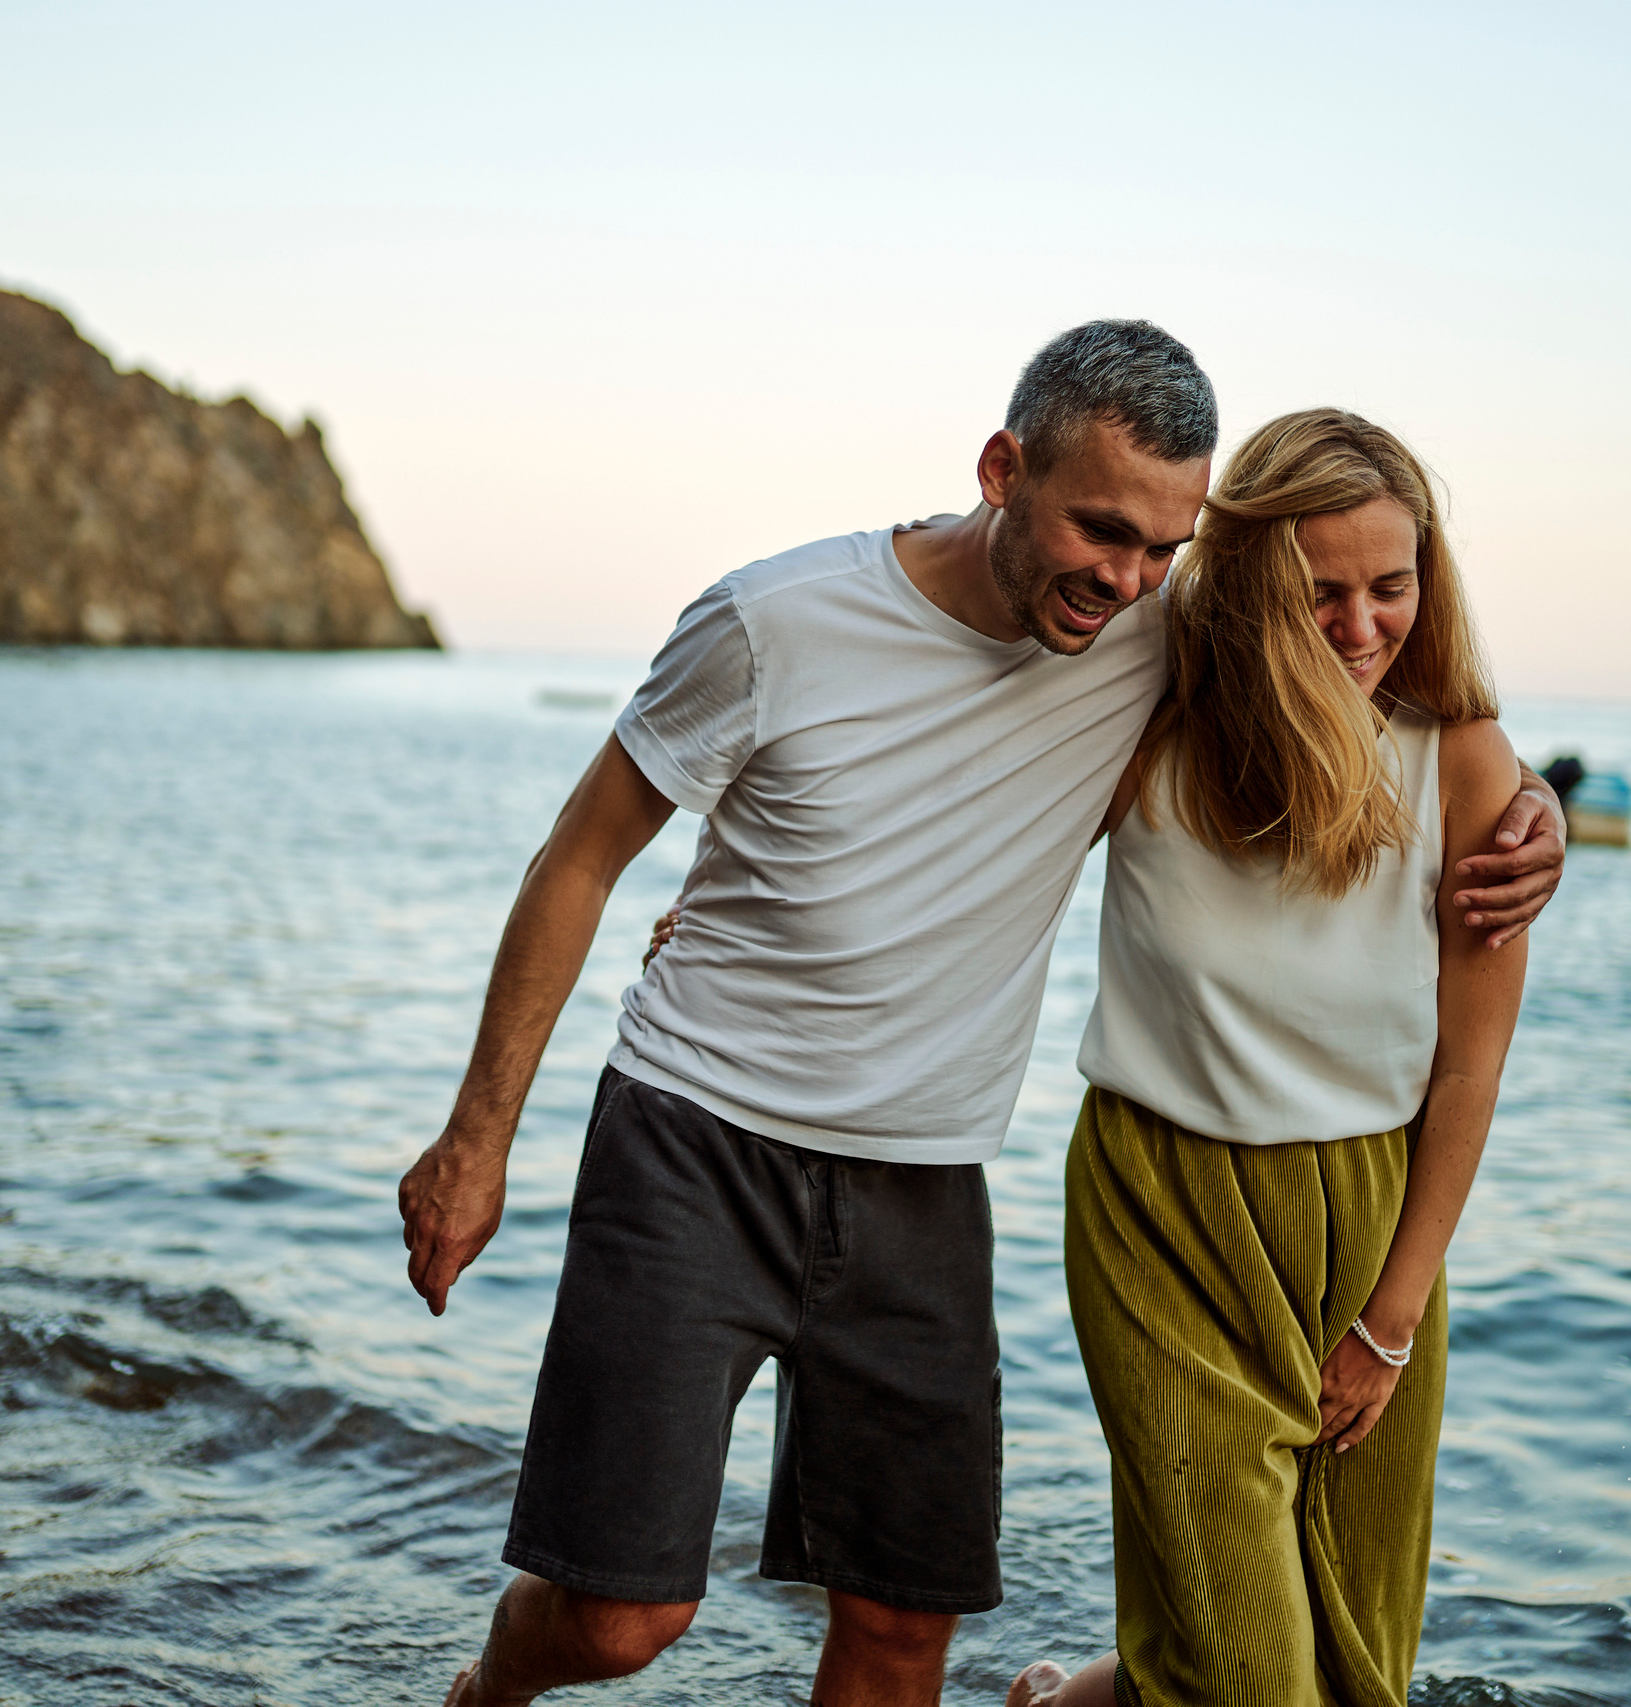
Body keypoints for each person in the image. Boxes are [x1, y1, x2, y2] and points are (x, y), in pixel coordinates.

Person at [395, 323, 1566, 1707]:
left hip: (921, 1186)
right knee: (620, 1617)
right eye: (1101, 530)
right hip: (697, 1140)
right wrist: (478, 1139)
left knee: (903, 1628)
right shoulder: (774, 620)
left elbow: (1366, 683)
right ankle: (487, 1690)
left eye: (1162, 551)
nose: (1125, 581)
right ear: (1003, 468)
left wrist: (1529, 806)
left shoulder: (1150, 642)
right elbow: (583, 852)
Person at [1008, 410, 1528, 1707]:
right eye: (1322, 594)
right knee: (1246, 1668)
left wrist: (1391, 1322)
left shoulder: (1463, 763)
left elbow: (1469, 1067)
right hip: (1161, 1211)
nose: (1361, 626)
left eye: (1391, 587)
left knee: (1350, 1666)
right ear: (1249, 584)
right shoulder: (1149, 715)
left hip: (1370, 1224)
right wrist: (753, 904)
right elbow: (962, 834)